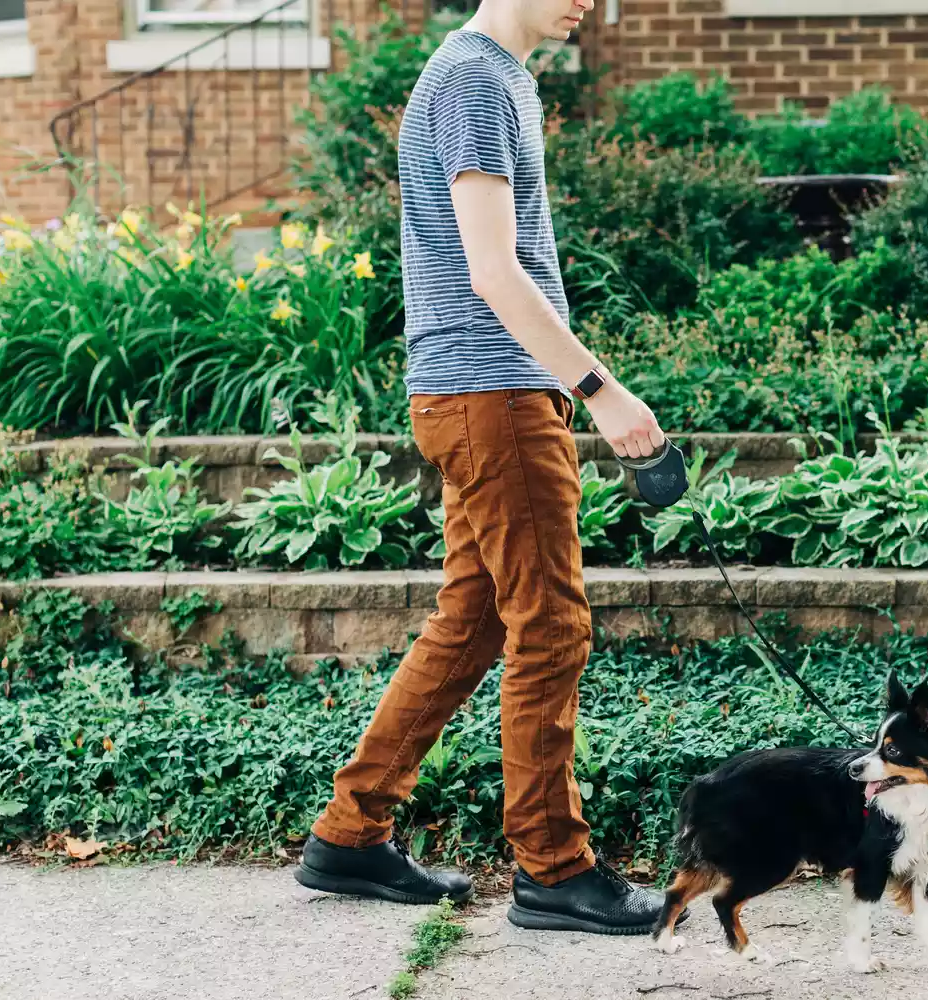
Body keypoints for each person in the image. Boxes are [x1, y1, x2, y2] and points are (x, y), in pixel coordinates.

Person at [294, 0, 674, 935]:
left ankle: (349, 834)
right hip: (492, 398)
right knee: (550, 624)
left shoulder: (500, 76)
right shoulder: (472, 79)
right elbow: (493, 272)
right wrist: (602, 392)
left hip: (480, 395)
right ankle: (554, 868)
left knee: (472, 621)